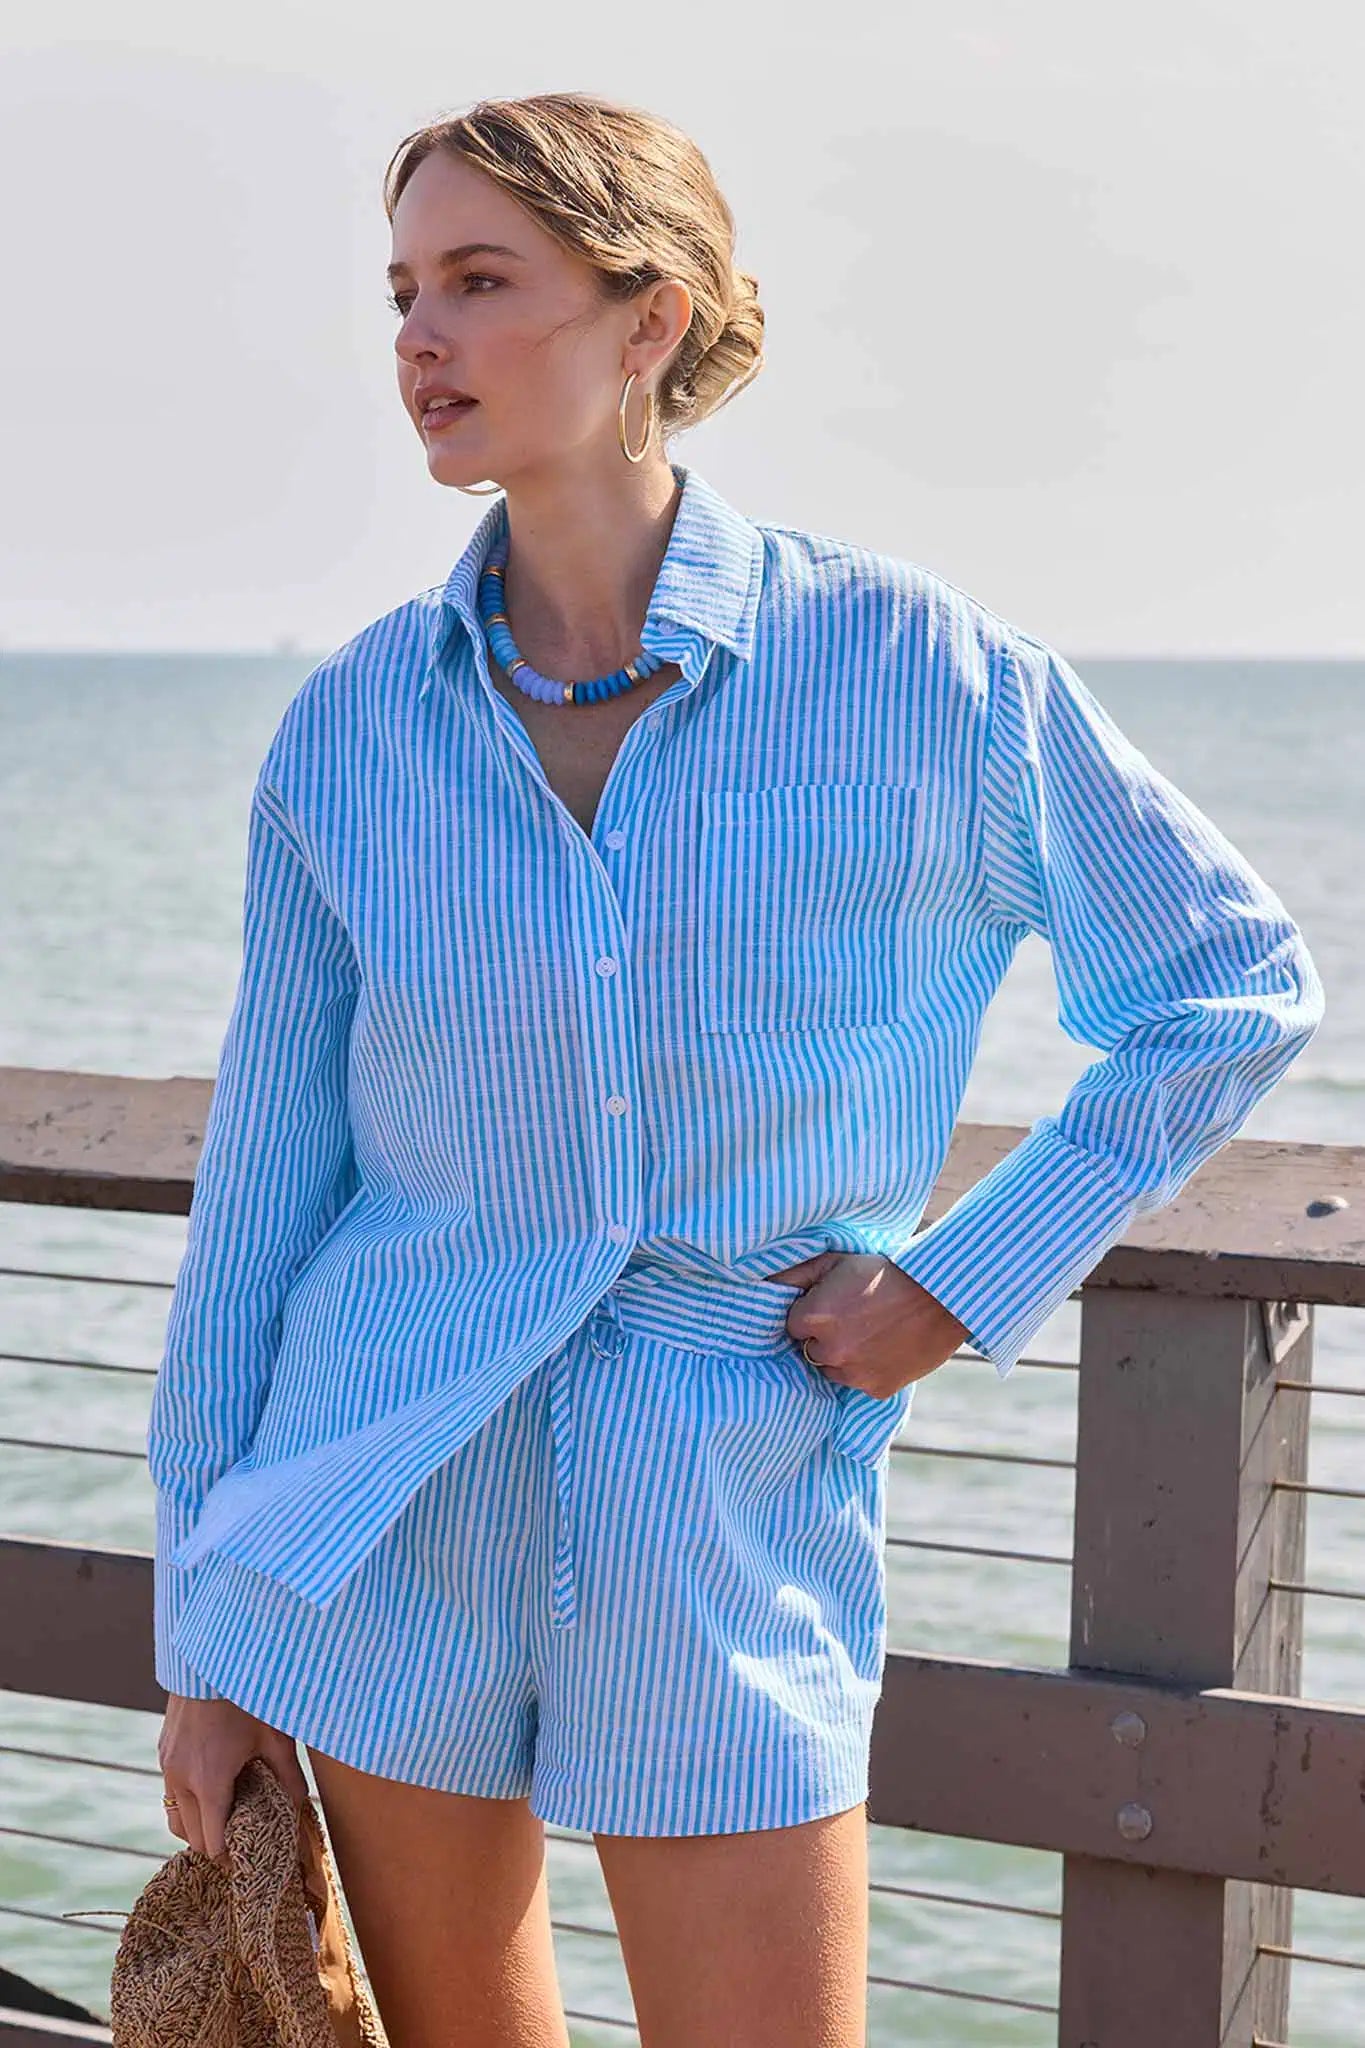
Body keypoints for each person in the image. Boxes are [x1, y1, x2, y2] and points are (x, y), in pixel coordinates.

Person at [148, 90, 1324, 2048]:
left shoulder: (915, 676)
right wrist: (205, 1629)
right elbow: (264, 1202)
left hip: (725, 1493)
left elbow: (1222, 981)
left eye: (477, 282)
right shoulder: (351, 734)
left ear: (648, 322)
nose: (417, 340)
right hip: (381, 1521)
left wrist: (957, 1278)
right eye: (402, 293)